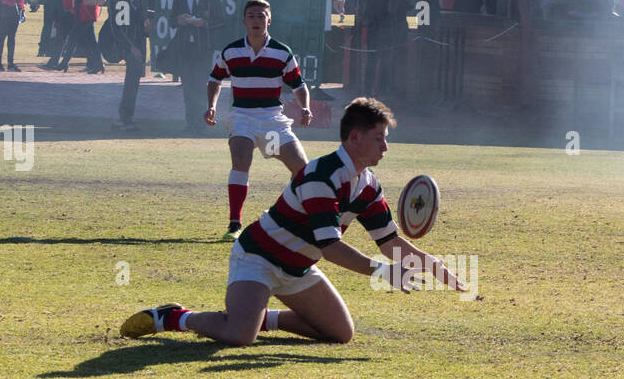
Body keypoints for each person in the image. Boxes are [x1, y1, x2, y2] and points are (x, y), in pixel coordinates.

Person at [118, 98, 465, 346]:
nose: (386, 148)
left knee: (340, 333)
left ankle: (262, 316)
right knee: (239, 336)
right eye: (380, 138)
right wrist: (382, 271)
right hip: (258, 258)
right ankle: (175, 317)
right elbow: (330, 248)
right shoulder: (321, 174)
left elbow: (390, 242)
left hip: (298, 269)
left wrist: (431, 265)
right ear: (354, 137)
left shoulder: (369, 185)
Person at [205, 0, 315, 239]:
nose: (256, 20)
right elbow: (215, 79)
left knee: (302, 169)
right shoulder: (231, 51)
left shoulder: (282, 52)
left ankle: (292, 218)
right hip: (242, 117)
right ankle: (234, 225)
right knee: (241, 159)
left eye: (261, 15)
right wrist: (211, 106)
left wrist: (305, 108)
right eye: (252, 16)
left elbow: (298, 85)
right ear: (244, 21)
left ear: (269, 20)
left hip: (272, 121)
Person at [167, 0, 225, 133]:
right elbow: (172, 21)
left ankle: (201, 123)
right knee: (187, 86)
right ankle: (190, 122)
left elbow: (220, 21)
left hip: (203, 49)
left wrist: (204, 23)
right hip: (185, 48)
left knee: (200, 86)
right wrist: (179, 20)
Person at [110, 0, 154, 130]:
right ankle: (124, 118)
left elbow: (139, 27)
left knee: (134, 82)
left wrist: (147, 28)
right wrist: (131, 48)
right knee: (131, 83)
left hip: (138, 47)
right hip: (126, 47)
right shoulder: (121, 1)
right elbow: (119, 29)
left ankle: (126, 117)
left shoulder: (139, 1)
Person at [60, 0, 104, 74]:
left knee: (73, 39)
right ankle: (99, 65)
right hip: (85, 13)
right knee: (90, 41)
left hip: (85, 13)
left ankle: (64, 63)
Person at [48, 0, 81, 70]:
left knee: (74, 40)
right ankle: (54, 61)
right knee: (60, 37)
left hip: (74, 14)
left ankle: (62, 62)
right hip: (66, 13)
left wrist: (74, 8)